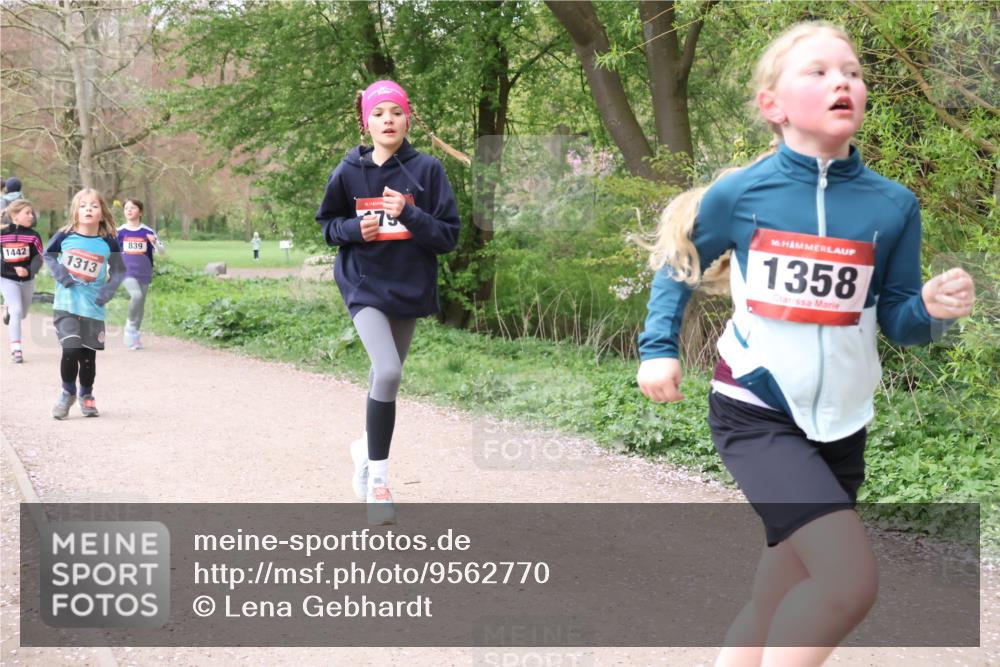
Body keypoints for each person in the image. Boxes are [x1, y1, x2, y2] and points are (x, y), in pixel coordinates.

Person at [636, 21, 976, 666]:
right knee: (847, 585)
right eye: (817, 72)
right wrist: (659, 347)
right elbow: (679, 264)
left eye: (850, 71)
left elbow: (899, 322)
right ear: (774, 105)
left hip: (843, 425)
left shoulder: (893, 205)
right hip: (757, 410)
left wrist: (932, 310)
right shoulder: (744, 193)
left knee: (780, 589)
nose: (841, 81)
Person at [316, 79, 463, 524]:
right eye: (378, 114)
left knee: (388, 381)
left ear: (407, 118)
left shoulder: (428, 170)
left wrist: (410, 214)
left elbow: (448, 237)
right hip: (363, 286)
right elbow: (327, 226)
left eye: (395, 113)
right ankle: (378, 481)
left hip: (408, 287)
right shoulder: (348, 171)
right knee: (389, 370)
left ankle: (365, 447)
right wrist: (352, 231)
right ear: (366, 121)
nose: (387, 121)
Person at [44, 189, 126, 419]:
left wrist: (108, 290)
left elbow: (120, 271)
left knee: (87, 357)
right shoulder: (64, 235)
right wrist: (62, 275)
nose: (88, 209)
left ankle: (86, 394)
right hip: (66, 304)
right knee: (70, 349)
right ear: (75, 211)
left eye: (94, 206)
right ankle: (67, 392)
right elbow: (48, 255)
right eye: (83, 205)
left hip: (93, 307)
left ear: (102, 213)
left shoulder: (108, 240)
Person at [1, 199, 45, 363]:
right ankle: (16, 349)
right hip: (6, 278)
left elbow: (38, 259)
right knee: (17, 310)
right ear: (14, 215)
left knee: (22, 313)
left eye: (31, 213)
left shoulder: (34, 236)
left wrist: (29, 270)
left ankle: (9, 310)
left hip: (27, 279)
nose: (31, 216)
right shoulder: (2, 234)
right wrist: (12, 269)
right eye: (27, 213)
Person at [117, 198, 164, 349]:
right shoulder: (120, 232)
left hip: (144, 272)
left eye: (133, 208)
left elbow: (162, 252)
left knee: (141, 304)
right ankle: (130, 325)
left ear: (141, 212)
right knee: (135, 296)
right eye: (126, 208)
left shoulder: (148, 231)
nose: (129, 210)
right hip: (126, 272)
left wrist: (155, 242)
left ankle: (134, 335)